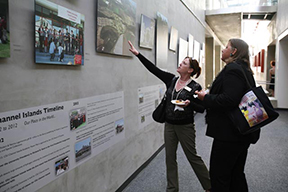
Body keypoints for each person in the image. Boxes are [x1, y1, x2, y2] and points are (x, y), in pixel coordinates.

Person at [128, 41, 211, 192]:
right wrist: (138, 54)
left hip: (185, 127)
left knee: (192, 157)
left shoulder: (195, 87)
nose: (180, 63)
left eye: (184, 63)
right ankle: (172, 189)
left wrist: (189, 104)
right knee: (169, 158)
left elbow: (201, 108)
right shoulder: (171, 79)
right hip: (169, 125)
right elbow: (154, 69)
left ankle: (209, 186)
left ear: (190, 70)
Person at [195, 38, 261, 192]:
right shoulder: (243, 69)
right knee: (236, 174)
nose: (223, 50)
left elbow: (229, 99)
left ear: (234, 51)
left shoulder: (233, 69)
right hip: (239, 132)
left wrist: (206, 98)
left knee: (220, 176)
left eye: (226, 47)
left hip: (230, 134)